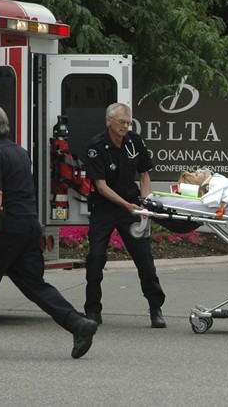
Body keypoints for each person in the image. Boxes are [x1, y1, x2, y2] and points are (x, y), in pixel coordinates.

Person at [0, 106, 97, 359]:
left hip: (5, 228)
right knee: (33, 284)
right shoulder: (19, 151)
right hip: (28, 225)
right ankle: (77, 323)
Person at [84, 103, 166, 328]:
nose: (125, 126)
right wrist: (126, 204)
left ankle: (155, 308)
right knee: (96, 259)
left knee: (145, 259)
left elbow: (145, 174)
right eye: (122, 122)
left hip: (131, 208)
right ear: (108, 121)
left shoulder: (135, 141)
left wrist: (145, 202)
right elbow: (100, 185)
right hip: (105, 208)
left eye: (128, 122)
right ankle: (92, 310)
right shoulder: (96, 146)